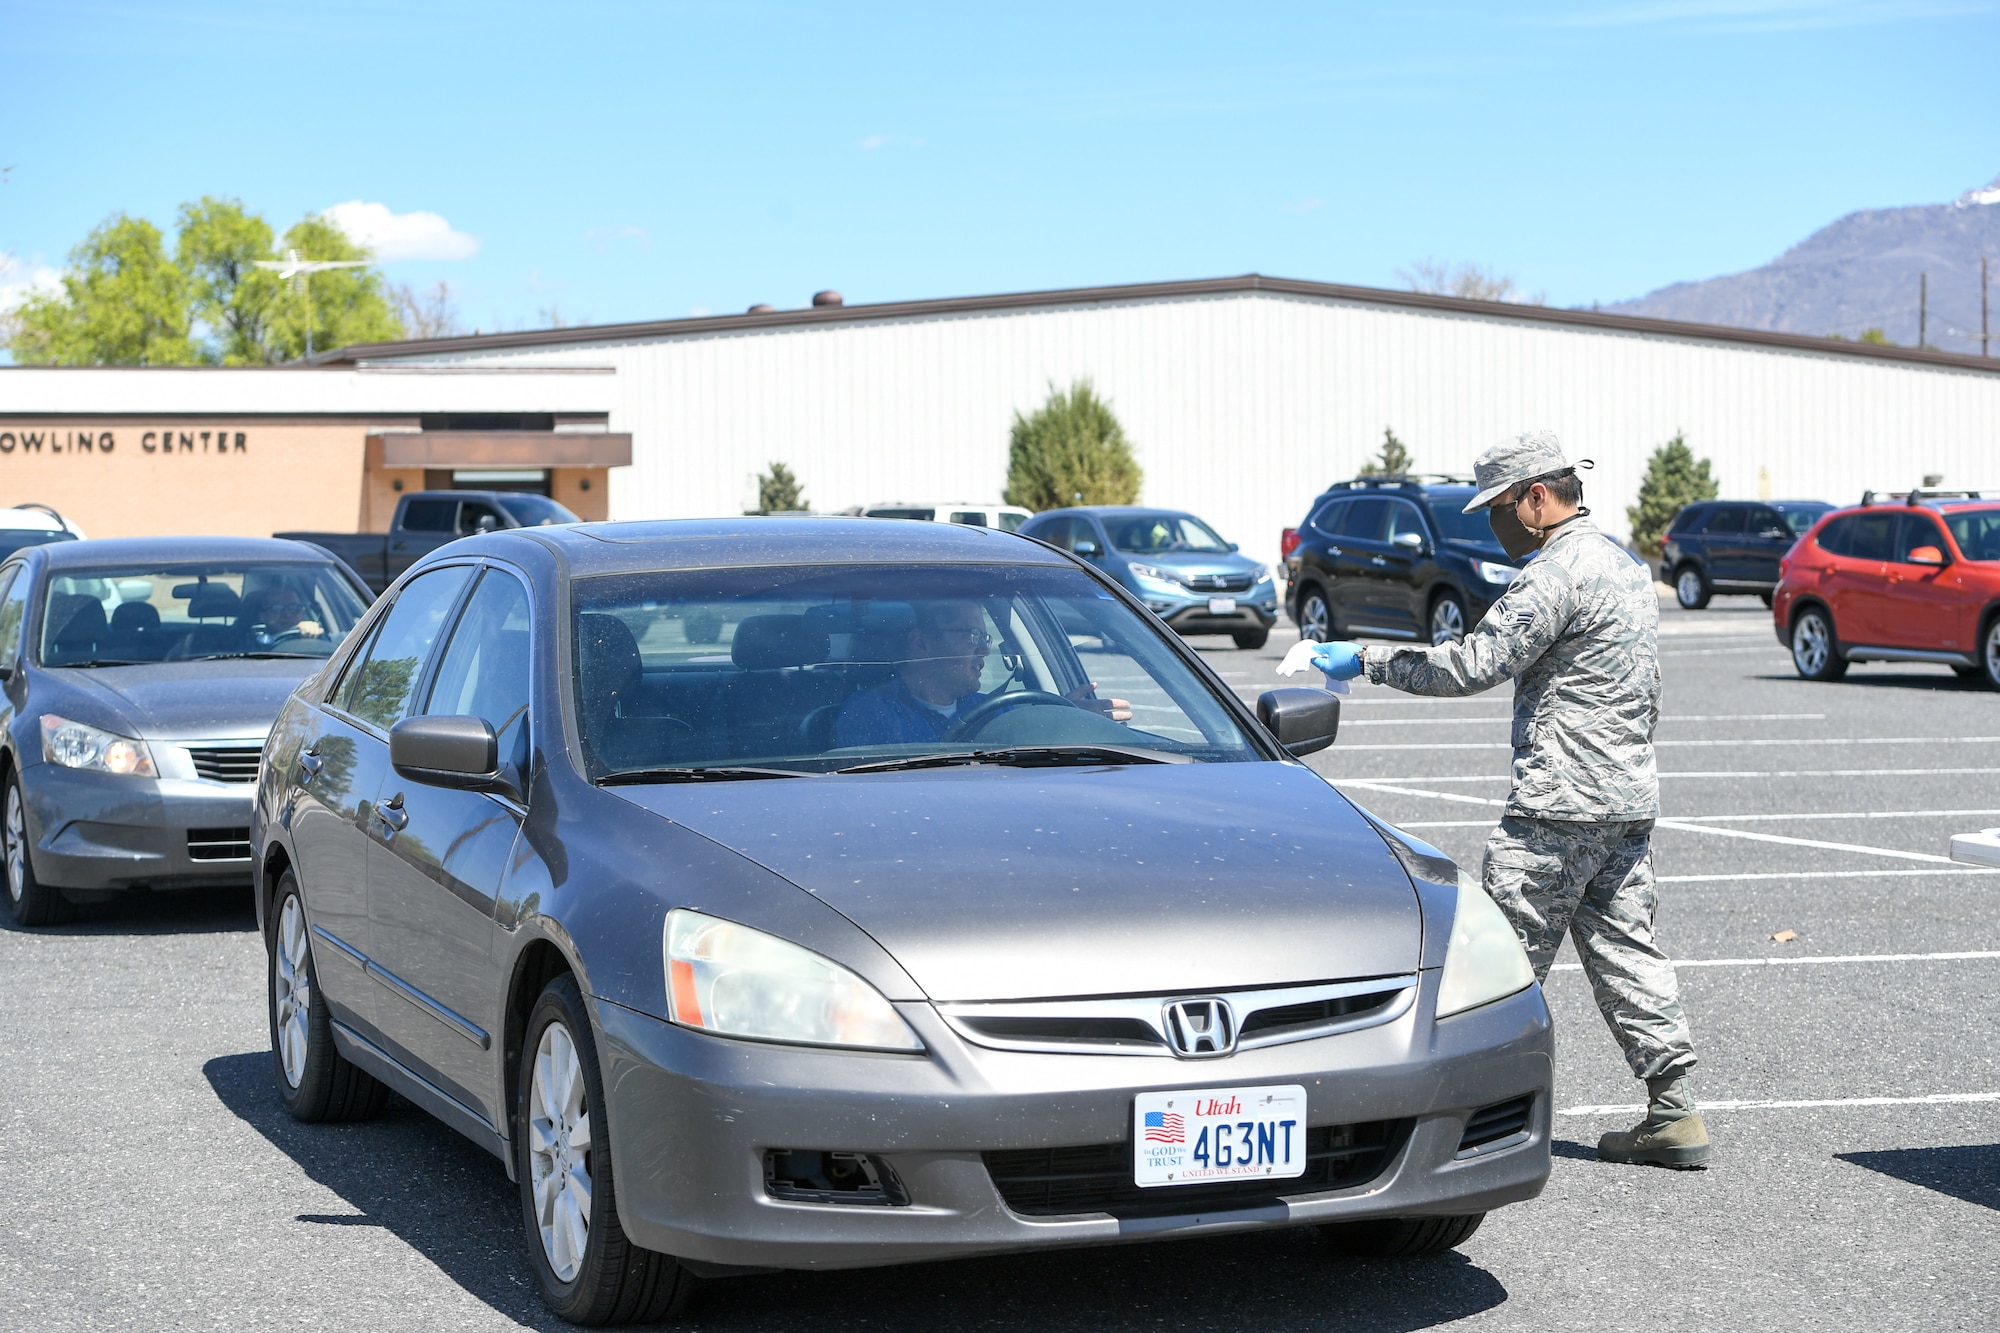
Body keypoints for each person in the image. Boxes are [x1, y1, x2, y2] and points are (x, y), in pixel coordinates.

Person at [1307, 430, 1708, 1170]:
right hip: (1624, 798)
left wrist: (1366, 659)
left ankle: (1463, 1121)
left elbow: (1470, 666)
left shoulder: (1556, 574)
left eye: (1496, 507)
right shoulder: (1624, 567)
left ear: (1536, 497)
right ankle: (1675, 1108)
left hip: (1556, 805)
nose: (1489, 521)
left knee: (1495, 962)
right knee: (1628, 951)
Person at [837, 599, 1130, 747]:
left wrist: (1068, 716)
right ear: (922, 643)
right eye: (972, 636)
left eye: (984, 638)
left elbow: (1031, 730)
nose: (985, 652)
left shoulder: (991, 710)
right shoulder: (869, 715)